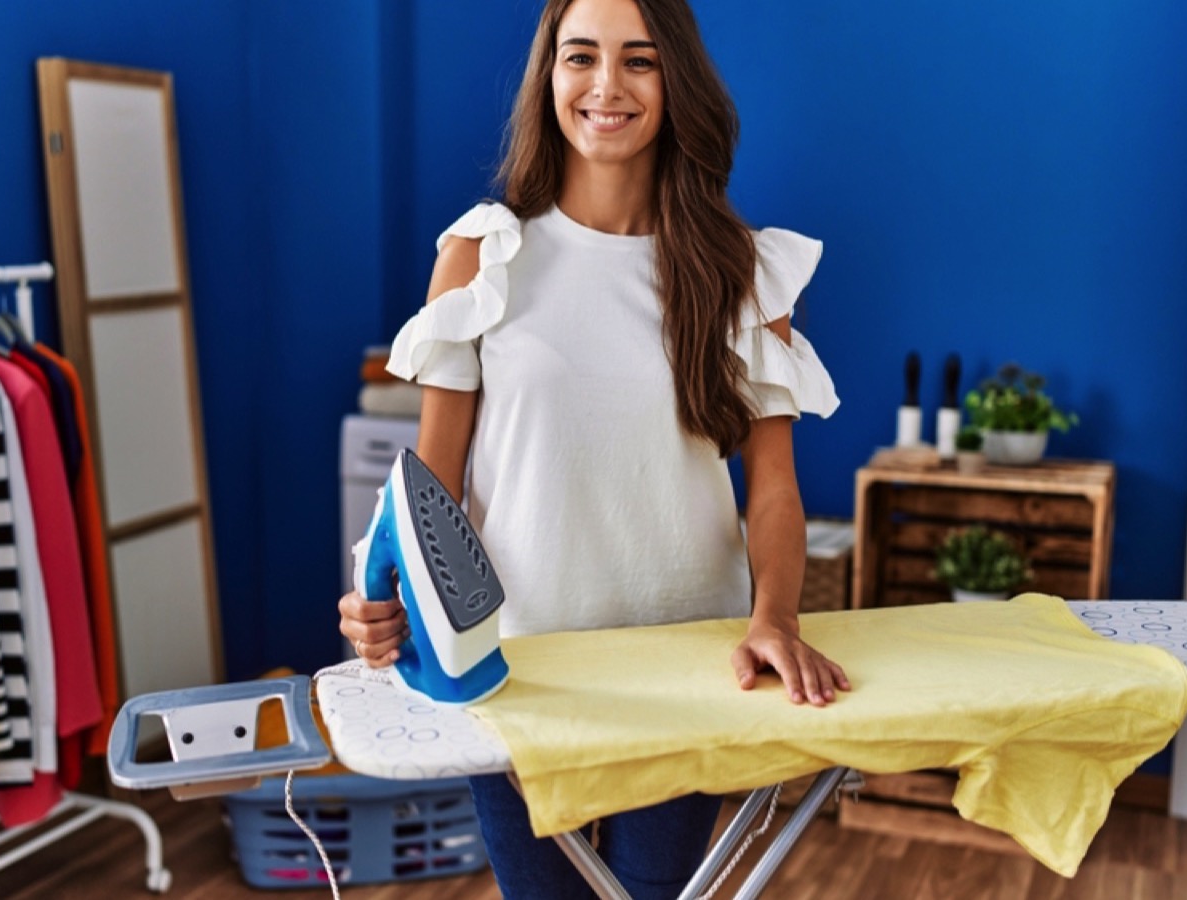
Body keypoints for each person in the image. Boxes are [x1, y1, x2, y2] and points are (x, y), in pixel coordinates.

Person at [337, 0, 847, 895]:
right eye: (582, 57)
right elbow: (430, 491)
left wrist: (776, 619)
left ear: (675, 79)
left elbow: (772, 491)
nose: (606, 85)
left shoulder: (742, 271)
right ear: (550, 77)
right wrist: (378, 596)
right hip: (517, 668)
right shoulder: (482, 256)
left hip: (687, 660)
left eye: (639, 61)